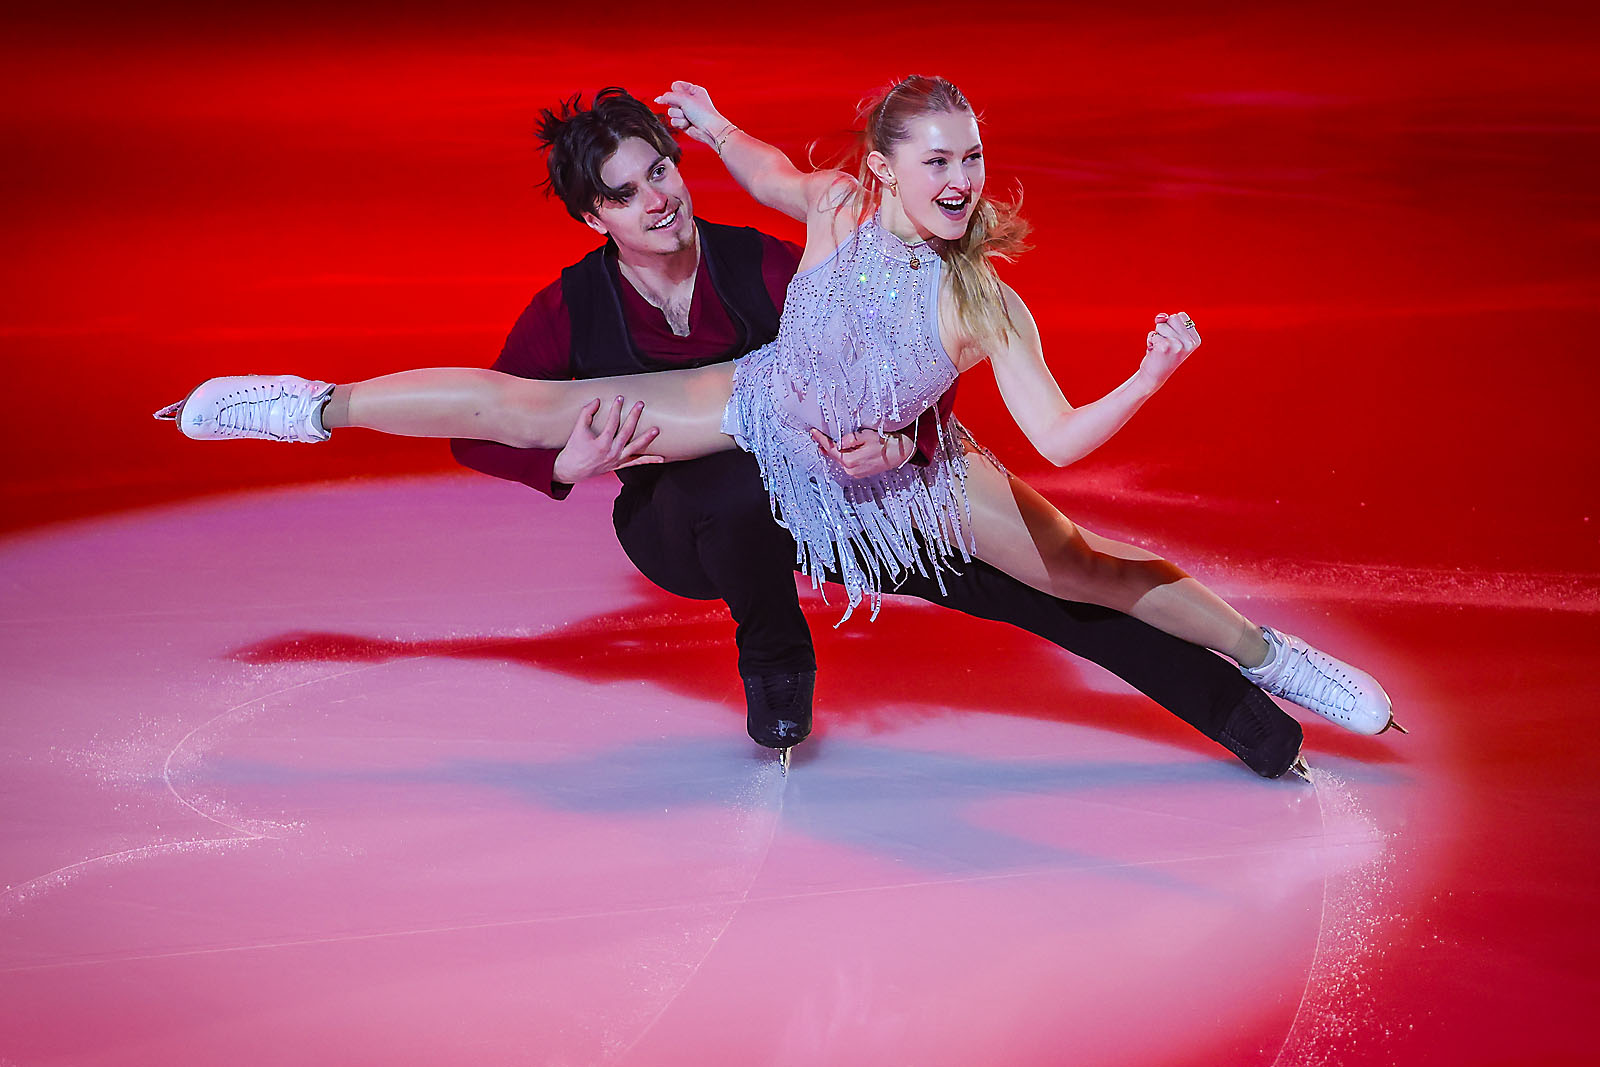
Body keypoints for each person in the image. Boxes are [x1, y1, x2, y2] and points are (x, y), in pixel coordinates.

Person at [157, 77, 1403, 775]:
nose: (960, 180)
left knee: (1077, 575)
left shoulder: (973, 296)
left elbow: (1060, 437)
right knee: (536, 406)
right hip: (757, 420)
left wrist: (1140, 374)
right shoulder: (814, 213)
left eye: (971, 158)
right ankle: (298, 404)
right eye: (936, 162)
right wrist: (566, 464)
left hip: (896, 483)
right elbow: (756, 172)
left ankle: (1259, 663)